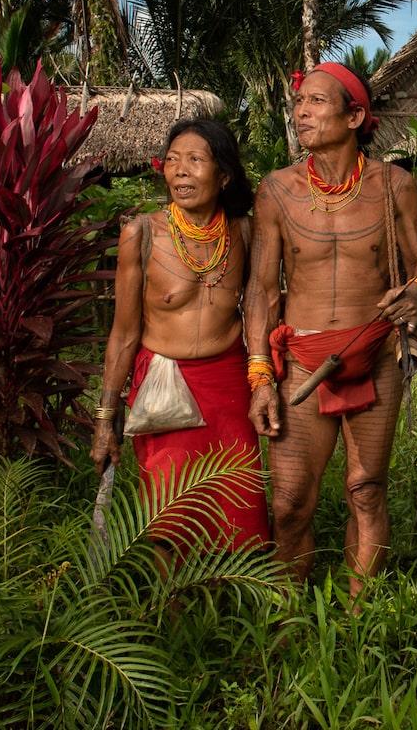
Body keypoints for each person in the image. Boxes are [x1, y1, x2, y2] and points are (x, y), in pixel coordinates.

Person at [243, 62, 417, 600]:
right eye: (298, 102)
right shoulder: (277, 192)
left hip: (373, 354)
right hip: (303, 361)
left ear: (355, 116)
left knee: (367, 490)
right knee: (288, 503)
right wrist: (260, 375)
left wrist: (416, 293)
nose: (301, 112)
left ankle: (358, 621)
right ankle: (283, 618)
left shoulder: (393, 185)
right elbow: (261, 291)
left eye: (316, 102)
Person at [89, 118, 271, 554]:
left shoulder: (243, 232)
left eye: (194, 160)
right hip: (163, 389)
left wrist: (262, 380)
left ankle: (234, 613)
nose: (180, 171)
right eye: (172, 161)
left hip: (227, 386)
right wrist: (104, 418)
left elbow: (260, 304)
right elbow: (124, 332)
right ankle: (172, 614)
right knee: (171, 520)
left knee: (240, 513)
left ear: (223, 175)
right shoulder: (141, 233)